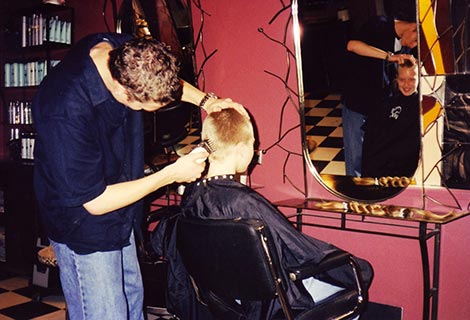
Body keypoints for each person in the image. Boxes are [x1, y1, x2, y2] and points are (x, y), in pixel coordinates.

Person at [32, 33, 246, 320]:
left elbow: (165, 83)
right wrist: (170, 174)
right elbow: (94, 202)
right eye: (150, 109)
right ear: (124, 95)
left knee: (132, 305)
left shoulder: (130, 54)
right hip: (83, 225)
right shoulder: (64, 107)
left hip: (122, 210)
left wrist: (207, 101)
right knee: (106, 314)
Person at [154, 109, 373, 319]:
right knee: (353, 280)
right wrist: (356, 266)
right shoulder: (244, 201)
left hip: (225, 299)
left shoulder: (192, 196)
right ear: (241, 149)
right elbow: (302, 250)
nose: (254, 152)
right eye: (253, 146)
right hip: (274, 301)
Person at [342, 14, 417, 176]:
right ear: (412, 28)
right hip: (358, 101)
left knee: (374, 154)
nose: (414, 45)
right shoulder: (378, 25)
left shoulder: (405, 47)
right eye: (416, 40)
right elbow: (352, 45)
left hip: (379, 106)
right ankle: (354, 195)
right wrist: (389, 57)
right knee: (355, 156)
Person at [361, 60, 420, 178]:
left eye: (412, 79)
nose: (407, 85)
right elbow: (370, 140)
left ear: (419, 79)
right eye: (402, 80)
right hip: (380, 169)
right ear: (396, 80)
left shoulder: (423, 107)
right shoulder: (386, 104)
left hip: (405, 171)